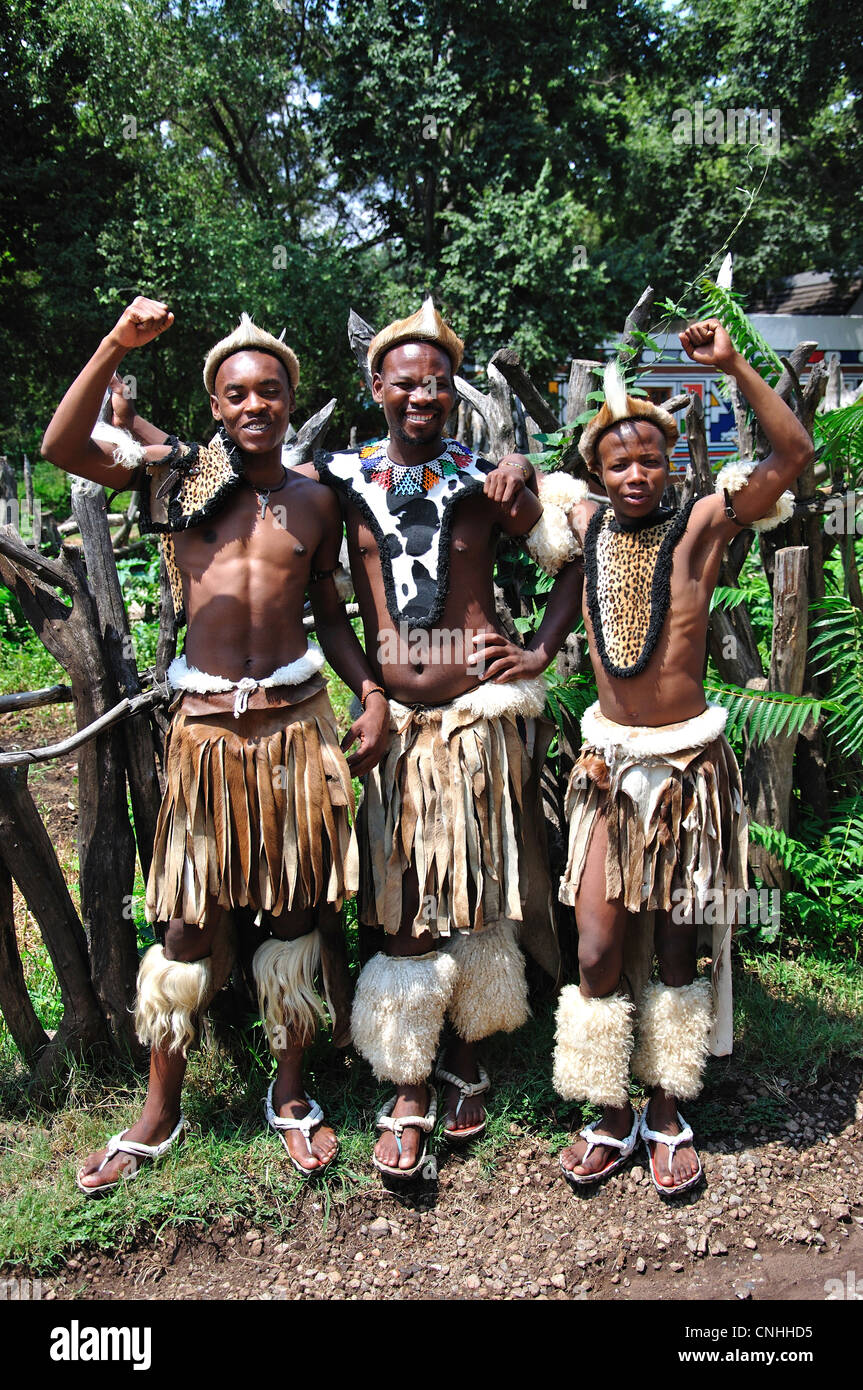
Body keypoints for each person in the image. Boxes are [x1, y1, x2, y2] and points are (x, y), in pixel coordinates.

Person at [41, 297, 389, 1188]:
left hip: (296, 735)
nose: (254, 406)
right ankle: (160, 1109)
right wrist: (116, 340)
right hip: (205, 740)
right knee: (186, 927)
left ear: (288, 398)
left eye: (269, 391)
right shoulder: (175, 480)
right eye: (236, 394)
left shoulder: (316, 499)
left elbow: (333, 617)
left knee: (294, 922)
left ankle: (290, 1092)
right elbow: (61, 447)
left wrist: (375, 693)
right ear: (216, 406)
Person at [513, 318, 813, 1194]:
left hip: (687, 772)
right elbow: (527, 487)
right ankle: (605, 1106)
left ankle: (667, 1106)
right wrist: (535, 648)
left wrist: (730, 365)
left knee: (679, 951)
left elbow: (788, 455)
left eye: (650, 459)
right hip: (608, 772)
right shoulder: (585, 525)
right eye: (618, 462)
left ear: (672, 465)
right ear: (599, 473)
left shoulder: (702, 526)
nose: (635, 474)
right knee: (599, 948)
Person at [306, 299, 580, 1178]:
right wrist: (369, 690)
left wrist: (536, 649)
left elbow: (572, 555)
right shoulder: (338, 479)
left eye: (438, 381)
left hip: (471, 723)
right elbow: (326, 604)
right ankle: (407, 1078)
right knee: (397, 896)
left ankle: (467, 1052)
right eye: (405, 380)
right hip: (396, 729)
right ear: (373, 385)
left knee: (474, 890)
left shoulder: (485, 479)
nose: (423, 394)